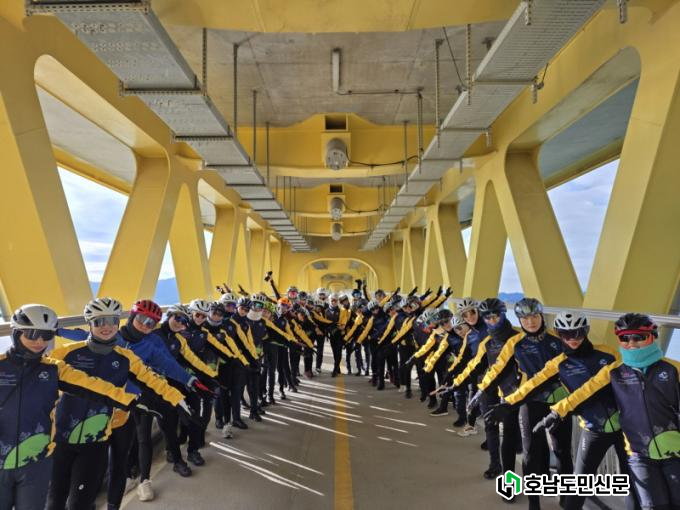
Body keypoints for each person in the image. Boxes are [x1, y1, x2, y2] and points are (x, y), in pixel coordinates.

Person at [47, 298, 189, 510]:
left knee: (110, 473)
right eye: (99, 321)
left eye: (112, 320)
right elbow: (40, 376)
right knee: (56, 497)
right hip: (66, 434)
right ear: (90, 322)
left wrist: (179, 397)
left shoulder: (128, 356)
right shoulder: (65, 354)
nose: (107, 326)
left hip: (110, 425)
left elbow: (153, 377)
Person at [0, 304, 140, 510]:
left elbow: (92, 385)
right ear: (15, 333)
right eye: (32, 334)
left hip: (36, 463)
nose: (39, 341)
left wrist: (130, 400)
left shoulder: (55, 369)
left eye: (46, 335)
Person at [536, 313, 679, 510]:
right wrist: (556, 412)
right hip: (627, 447)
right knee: (581, 482)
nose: (632, 343)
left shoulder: (672, 369)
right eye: (625, 338)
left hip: (665, 448)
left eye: (639, 337)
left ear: (653, 336)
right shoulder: (614, 369)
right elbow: (584, 391)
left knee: (637, 490)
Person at [478, 298, 573, 510]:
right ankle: (523, 496)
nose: (530, 321)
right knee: (523, 448)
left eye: (534, 316)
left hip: (554, 402)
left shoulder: (557, 341)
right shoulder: (510, 342)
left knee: (561, 450)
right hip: (520, 400)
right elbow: (494, 369)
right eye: (525, 318)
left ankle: (565, 495)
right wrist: (481, 391)